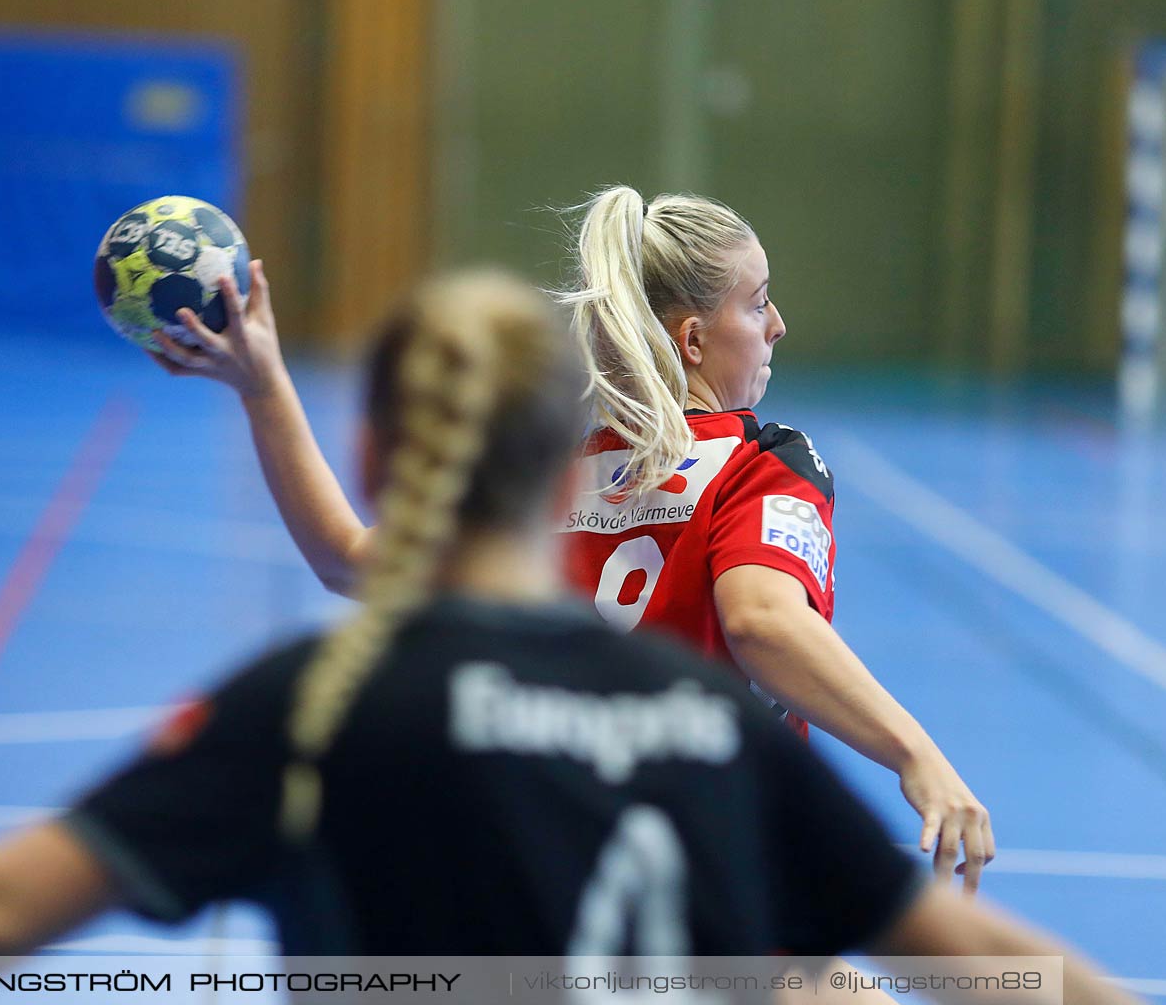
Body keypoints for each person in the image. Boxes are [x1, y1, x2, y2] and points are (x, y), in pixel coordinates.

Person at [0, 272, 1132, 1005]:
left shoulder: (321, 702)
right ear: (570, 445)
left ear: (385, 451)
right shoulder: (710, 732)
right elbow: (988, 964)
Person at [150, 189, 993, 892]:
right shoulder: (762, 465)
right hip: (695, 881)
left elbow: (343, 556)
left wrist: (262, 386)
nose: (777, 324)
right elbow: (763, 623)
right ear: (694, 338)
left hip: (541, 871)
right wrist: (915, 754)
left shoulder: (548, 477)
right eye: (757, 300)